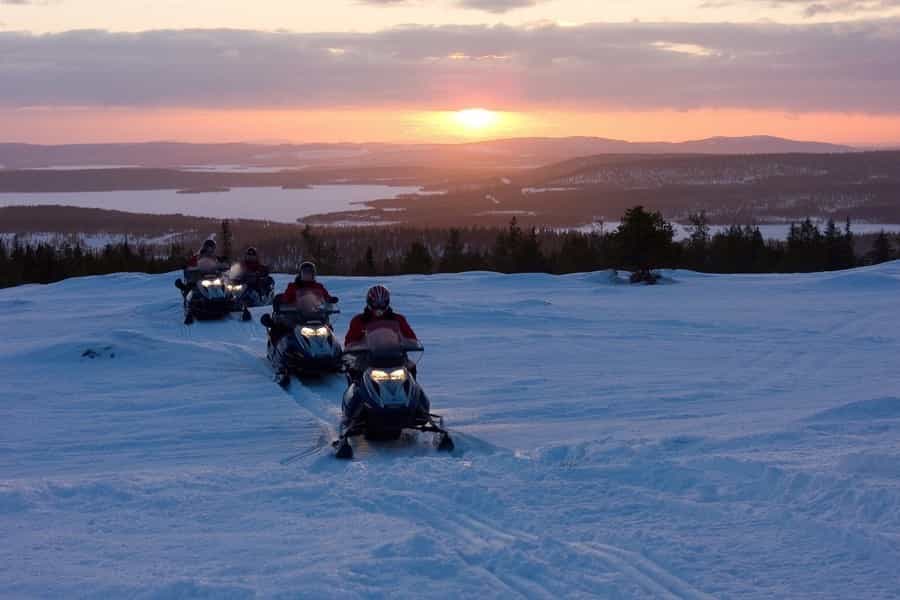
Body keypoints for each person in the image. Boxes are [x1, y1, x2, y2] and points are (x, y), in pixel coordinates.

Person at [344, 284, 419, 381]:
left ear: (387, 303)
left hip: (395, 356)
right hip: (367, 358)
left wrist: (408, 344)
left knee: (411, 368)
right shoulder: (359, 320)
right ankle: (355, 387)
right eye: (375, 304)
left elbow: (411, 338)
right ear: (369, 302)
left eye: (382, 304)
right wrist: (358, 347)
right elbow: (349, 342)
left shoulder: (398, 319)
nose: (379, 307)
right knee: (355, 371)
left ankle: (412, 388)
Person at [267, 261, 339, 343]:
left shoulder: (318, 286)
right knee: (282, 330)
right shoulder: (293, 286)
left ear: (313, 275)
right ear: (300, 274)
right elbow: (286, 298)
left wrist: (330, 300)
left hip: (315, 316)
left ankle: (332, 346)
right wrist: (287, 304)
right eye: (305, 273)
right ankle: (280, 345)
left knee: (328, 330)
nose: (307, 275)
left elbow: (325, 297)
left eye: (309, 273)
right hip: (296, 316)